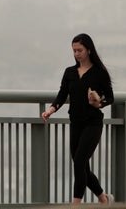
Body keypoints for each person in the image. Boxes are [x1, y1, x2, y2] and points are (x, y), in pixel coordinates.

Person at [41, 33, 114, 205]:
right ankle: (105, 200)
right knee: (82, 166)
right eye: (74, 51)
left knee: (80, 161)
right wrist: (50, 110)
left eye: (79, 50)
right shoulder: (70, 72)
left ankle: (75, 204)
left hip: (93, 123)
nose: (76, 54)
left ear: (89, 50)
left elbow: (110, 97)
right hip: (76, 123)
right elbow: (61, 95)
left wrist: (99, 104)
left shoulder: (99, 73)